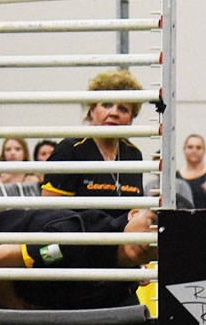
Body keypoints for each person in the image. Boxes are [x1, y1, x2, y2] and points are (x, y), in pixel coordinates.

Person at [0, 207, 157, 309]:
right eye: (151, 223)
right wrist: (16, 308)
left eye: (161, 235)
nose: (151, 237)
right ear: (133, 214)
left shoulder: (128, 276)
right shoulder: (73, 241)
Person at [42, 70, 146, 218]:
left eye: (123, 109)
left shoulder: (133, 154)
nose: (114, 113)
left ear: (131, 118)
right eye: (107, 105)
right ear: (92, 109)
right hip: (79, 238)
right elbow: (50, 214)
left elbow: (135, 213)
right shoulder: (71, 150)